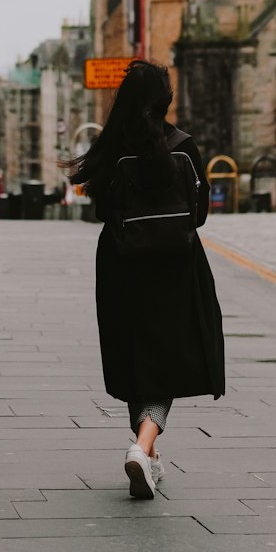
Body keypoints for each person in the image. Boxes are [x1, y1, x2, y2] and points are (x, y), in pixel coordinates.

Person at [69, 61, 225, 499]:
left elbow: (101, 211)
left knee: (137, 360)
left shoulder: (111, 148)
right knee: (166, 364)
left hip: (122, 267)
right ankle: (142, 447)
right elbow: (199, 214)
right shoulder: (183, 146)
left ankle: (149, 456)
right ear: (165, 101)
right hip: (176, 267)